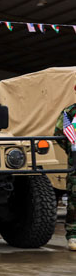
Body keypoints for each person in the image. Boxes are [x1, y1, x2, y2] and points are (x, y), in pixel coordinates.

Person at [54, 88, 76, 251]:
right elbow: (59, 134)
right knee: (75, 200)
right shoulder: (70, 112)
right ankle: (73, 235)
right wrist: (72, 150)